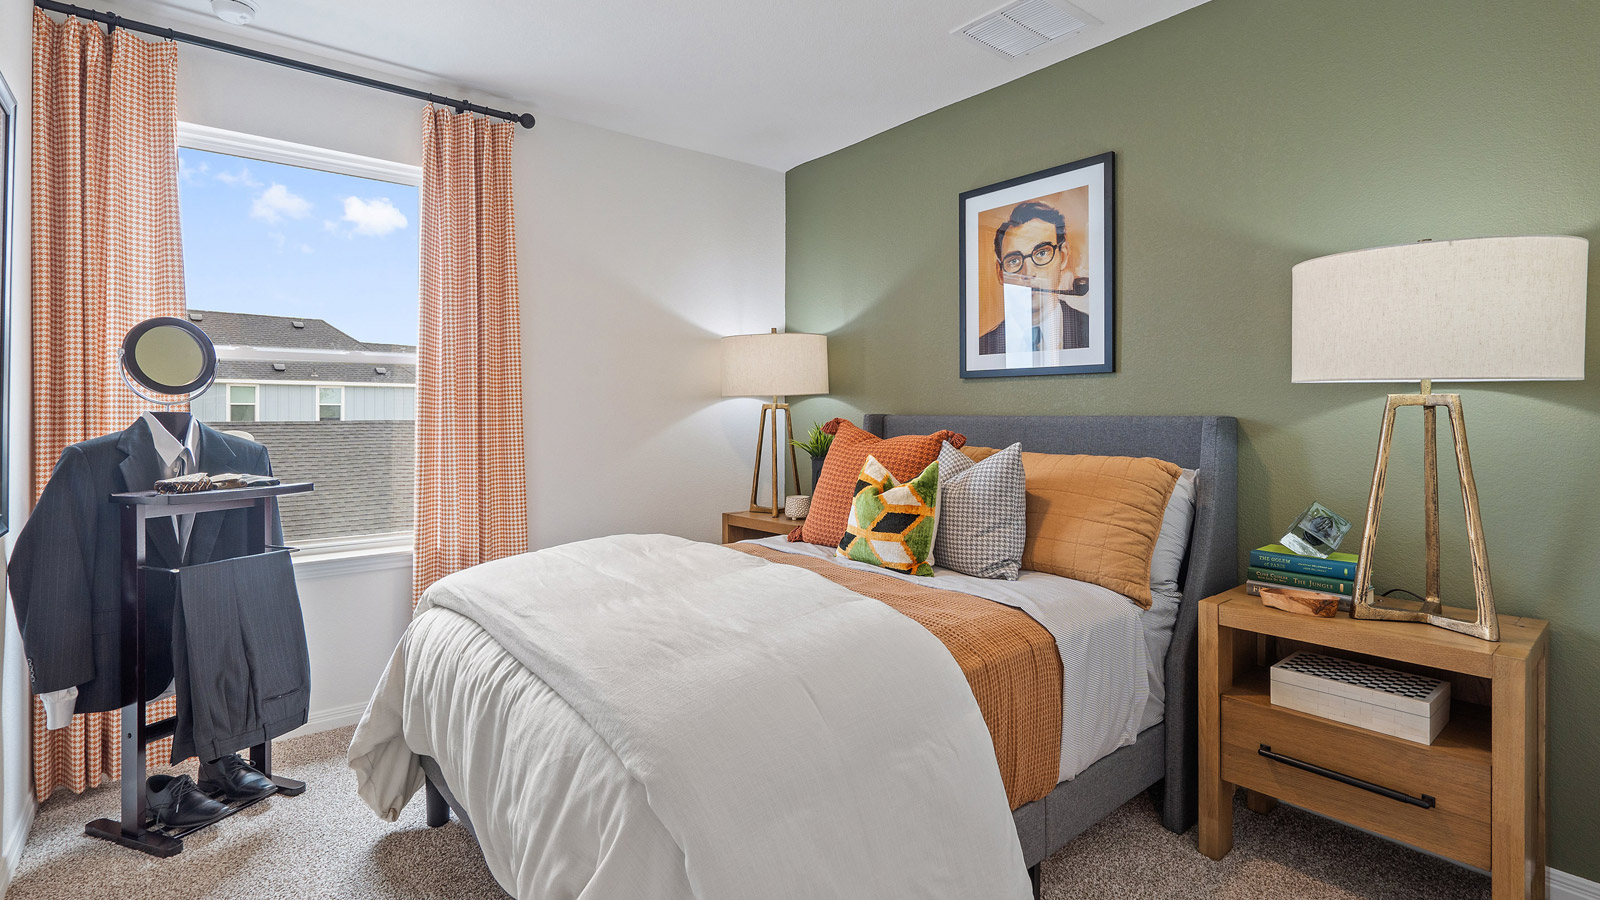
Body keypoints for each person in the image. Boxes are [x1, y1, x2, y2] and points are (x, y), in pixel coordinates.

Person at [977, 200, 1090, 354]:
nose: (1028, 273)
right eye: (1014, 261)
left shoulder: (1092, 330)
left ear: (1062, 257)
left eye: (1042, 253)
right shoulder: (983, 347)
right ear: (1000, 273)